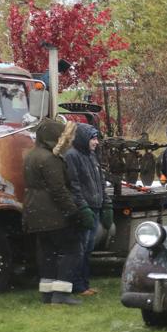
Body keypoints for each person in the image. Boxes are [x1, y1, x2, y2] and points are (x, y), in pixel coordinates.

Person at [23, 115, 90, 305]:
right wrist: (74, 212)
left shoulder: (31, 155)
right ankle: (61, 294)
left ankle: (47, 293)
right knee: (72, 250)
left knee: (48, 254)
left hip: (35, 213)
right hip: (54, 215)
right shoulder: (50, 158)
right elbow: (59, 190)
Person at [64, 121, 107, 297]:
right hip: (85, 209)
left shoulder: (91, 156)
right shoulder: (73, 156)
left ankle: (84, 283)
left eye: (96, 138)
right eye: (93, 138)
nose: (96, 142)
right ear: (83, 138)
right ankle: (78, 285)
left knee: (88, 249)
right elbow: (74, 185)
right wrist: (83, 208)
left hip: (95, 207)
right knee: (80, 249)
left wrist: (106, 203)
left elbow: (100, 182)